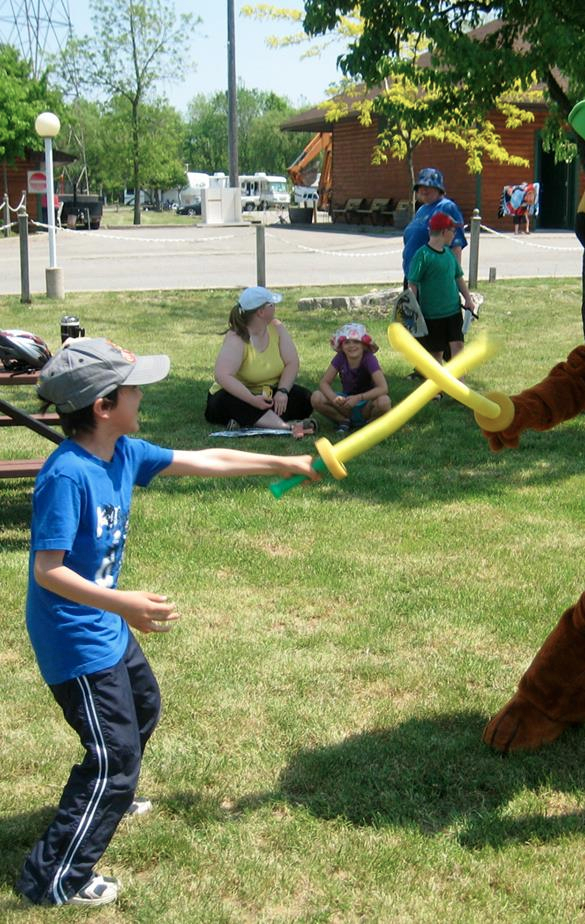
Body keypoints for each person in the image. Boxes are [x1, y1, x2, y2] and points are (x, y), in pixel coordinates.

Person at [16, 337, 317, 907]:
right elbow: (49, 572)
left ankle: (114, 789)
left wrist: (286, 460)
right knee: (114, 758)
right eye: (133, 389)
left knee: (144, 705)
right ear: (104, 407)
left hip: (104, 623)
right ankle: (53, 878)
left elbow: (206, 459)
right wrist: (125, 603)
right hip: (74, 635)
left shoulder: (122, 452)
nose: (141, 395)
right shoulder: (67, 475)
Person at [205, 286, 316, 436]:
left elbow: (292, 362)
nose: (275, 307)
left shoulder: (276, 327)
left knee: (304, 399)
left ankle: (249, 423)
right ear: (261, 312)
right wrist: (252, 399)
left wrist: (282, 391)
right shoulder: (237, 337)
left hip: (269, 391)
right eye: (271, 305)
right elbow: (222, 375)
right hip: (237, 395)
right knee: (234, 404)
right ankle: (286, 427)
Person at [406, 212, 478, 379]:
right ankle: (436, 390)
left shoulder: (449, 254)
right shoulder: (422, 255)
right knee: (435, 353)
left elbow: (458, 277)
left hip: (453, 312)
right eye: (454, 231)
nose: (455, 235)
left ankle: (461, 387)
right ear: (445, 231)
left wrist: (467, 298)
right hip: (432, 314)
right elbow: (413, 283)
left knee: (458, 347)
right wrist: (413, 308)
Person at [311, 323, 391, 433]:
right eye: (347, 342)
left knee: (384, 401)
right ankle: (343, 421)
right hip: (346, 404)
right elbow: (324, 382)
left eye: (356, 341)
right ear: (341, 346)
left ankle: (370, 424)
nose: (351, 345)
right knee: (316, 397)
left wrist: (359, 398)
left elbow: (383, 388)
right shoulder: (340, 358)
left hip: (366, 403)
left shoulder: (369, 359)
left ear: (364, 345)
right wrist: (334, 398)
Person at [401, 168, 468, 282]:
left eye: (429, 187)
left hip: (432, 280)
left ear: (439, 189)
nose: (424, 190)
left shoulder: (447, 207)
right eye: (421, 187)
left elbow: (456, 245)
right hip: (412, 277)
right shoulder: (421, 210)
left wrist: (452, 280)